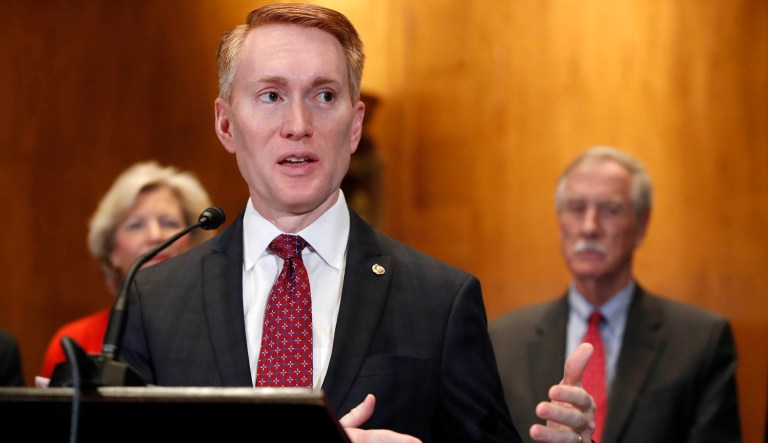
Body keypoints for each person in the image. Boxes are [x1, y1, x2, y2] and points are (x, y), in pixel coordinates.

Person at [120, 4, 595, 443]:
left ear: (354, 125)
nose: (298, 123)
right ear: (226, 124)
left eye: (324, 95)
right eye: (271, 95)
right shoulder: (154, 300)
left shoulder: (441, 301)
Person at [490, 146, 741, 443]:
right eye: (576, 208)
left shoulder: (702, 341)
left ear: (642, 225)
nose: (589, 227)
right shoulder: (503, 341)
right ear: (560, 224)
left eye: (610, 210)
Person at [39, 161, 214, 379]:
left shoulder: (222, 336)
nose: (155, 235)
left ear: (194, 244)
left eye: (169, 222)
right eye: (135, 225)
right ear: (111, 251)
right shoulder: (77, 341)